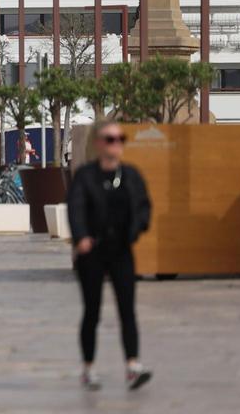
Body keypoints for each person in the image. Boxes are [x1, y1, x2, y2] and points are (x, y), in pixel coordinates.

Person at [66, 119, 153, 392]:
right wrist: (81, 237)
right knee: (92, 311)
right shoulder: (86, 176)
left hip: (121, 250)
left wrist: (135, 231)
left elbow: (143, 207)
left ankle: (133, 366)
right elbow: (75, 207)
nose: (116, 144)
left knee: (127, 309)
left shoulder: (131, 175)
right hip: (92, 251)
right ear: (99, 143)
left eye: (120, 139)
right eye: (110, 139)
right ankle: (88, 368)